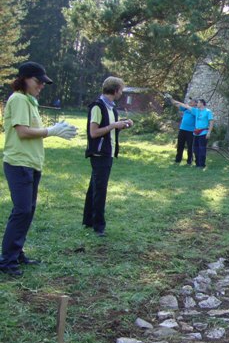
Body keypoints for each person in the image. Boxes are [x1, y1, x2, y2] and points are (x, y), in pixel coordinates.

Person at [0, 61, 77, 277]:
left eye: (43, 83)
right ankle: (7, 261)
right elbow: (23, 132)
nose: (42, 86)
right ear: (24, 79)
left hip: (31, 164)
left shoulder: (29, 101)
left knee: (28, 211)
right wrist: (51, 131)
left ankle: (16, 253)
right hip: (19, 164)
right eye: (38, 81)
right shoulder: (18, 99)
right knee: (22, 211)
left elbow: (31, 131)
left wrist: (51, 131)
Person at [82, 77, 133, 237]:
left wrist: (123, 125)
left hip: (108, 153)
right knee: (100, 189)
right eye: (121, 90)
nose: (121, 93)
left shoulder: (112, 109)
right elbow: (94, 132)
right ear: (116, 90)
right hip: (99, 154)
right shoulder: (98, 107)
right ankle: (99, 226)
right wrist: (113, 125)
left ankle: (88, 220)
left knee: (94, 187)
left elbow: (109, 129)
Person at [169, 97, 196, 165]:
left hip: (191, 131)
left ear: (195, 103)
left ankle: (189, 161)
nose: (190, 102)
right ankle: (178, 160)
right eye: (190, 101)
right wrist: (170, 98)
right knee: (180, 145)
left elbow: (182, 104)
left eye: (192, 101)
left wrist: (178, 102)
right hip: (182, 129)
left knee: (190, 146)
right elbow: (177, 104)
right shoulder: (185, 109)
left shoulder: (195, 110)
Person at [191, 99, 214, 168]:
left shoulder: (208, 111)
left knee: (202, 149)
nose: (196, 104)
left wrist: (209, 132)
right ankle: (197, 163)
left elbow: (211, 122)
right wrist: (172, 99)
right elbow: (186, 106)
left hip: (203, 132)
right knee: (195, 149)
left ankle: (202, 164)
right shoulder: (196, 110)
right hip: (196, 132)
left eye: (198, 103)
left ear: (201, 103)